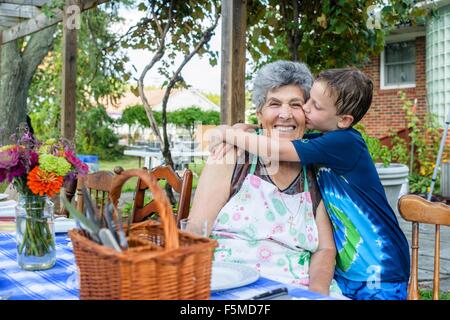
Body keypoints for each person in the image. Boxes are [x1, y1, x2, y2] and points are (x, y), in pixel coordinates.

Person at [208, 66, 410, 300]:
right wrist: (244, 127)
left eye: (314, 105)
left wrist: (227, 133)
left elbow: (277, 148)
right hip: (350, 268)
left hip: (380, 266)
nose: (305, 108)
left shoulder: (345, 143)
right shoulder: (323, 141)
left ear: (344, 120)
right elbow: (278, 134)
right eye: (308, 101)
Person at [189, 61, 341, 297]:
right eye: (274, 104)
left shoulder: (316, 167)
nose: (285, 114)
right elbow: (197, 230)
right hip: (228, 285)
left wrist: (316, 294)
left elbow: (325, 248)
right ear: (260, 114)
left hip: (296, 288)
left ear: (307, 114)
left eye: (295, 104)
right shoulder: (232, 154)